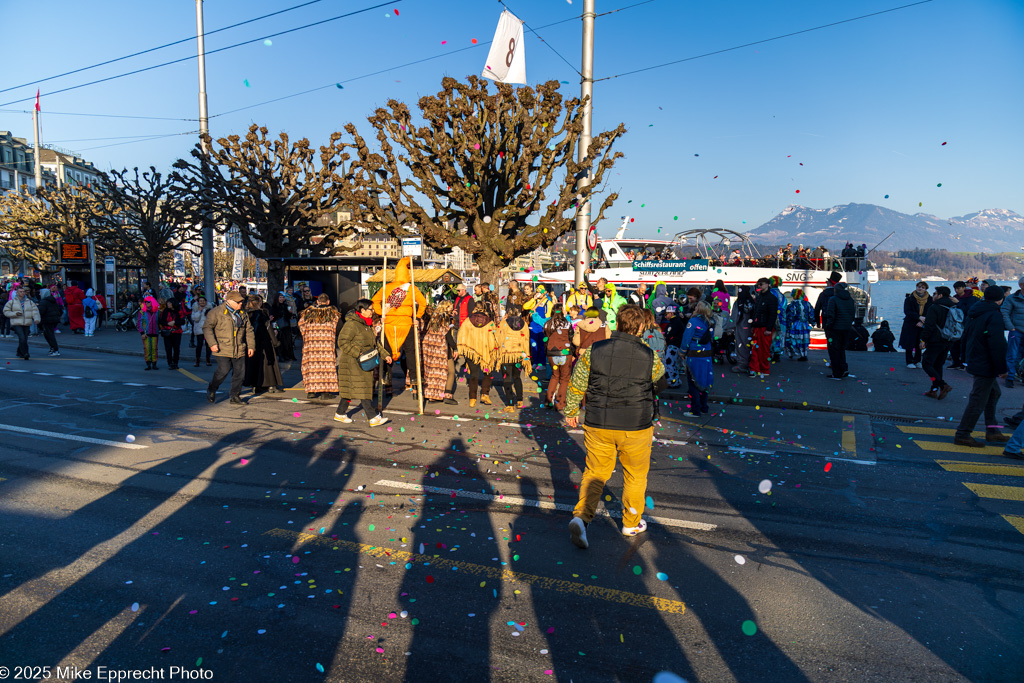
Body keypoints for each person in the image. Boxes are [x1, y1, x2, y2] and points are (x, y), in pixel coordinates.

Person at [565, 305, 667, 549]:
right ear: (641, 326)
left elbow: (577, 382)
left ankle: (582, 518)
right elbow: (661, 382)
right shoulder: (649, 355)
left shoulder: (594, 350)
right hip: (636, 424)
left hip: (599, 421)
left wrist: (571, 411)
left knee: (595, 472)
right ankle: (631, 522)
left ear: (618, 324)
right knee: (634, 475)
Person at [953, 286, 1010, 447]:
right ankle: (963, 433)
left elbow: (965, 336)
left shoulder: (975, 312)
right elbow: (997, 344)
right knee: (978, 399)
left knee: (993, 394)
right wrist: (1002, 369)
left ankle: (992, 431)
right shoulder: (994, 315)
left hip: (976, 358)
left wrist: (964, 359)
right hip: (986, 362)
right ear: (1000, 299)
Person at [334, 299, 390, 426]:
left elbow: (374, 344)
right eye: (371, 309)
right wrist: (358, 352)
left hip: (364, 361)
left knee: (352, 389)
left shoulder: (367, 325)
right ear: (362, 310)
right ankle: (372, 417)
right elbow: (342, 342)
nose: (373, 311)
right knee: (363, 389)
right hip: (352, 363)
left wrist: (385, 355)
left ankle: (340, 413)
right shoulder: (352, 324)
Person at [204, 290, 256, 404]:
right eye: (237, 302)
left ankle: (235, 396)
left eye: (241, 302)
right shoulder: (216, 312)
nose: (240, 304)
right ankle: (212, 388)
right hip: (222, 348)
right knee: (223, 370)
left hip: (239, 348)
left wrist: (251, 346)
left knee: (240, 374)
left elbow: (249, 330)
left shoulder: (242, 313)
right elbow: (207, 328)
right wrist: (212, 344)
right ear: (229, 301)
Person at [297, 294, 343, 399]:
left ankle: (311, 391)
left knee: (311, 367)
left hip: (311, 346)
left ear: (317, 302)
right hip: (326, 345)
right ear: (328, 302)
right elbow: (340, 328)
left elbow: (301, 326)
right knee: (326, 368)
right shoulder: (333, 314)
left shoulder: (307, 314)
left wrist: (308, 336)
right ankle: (325, 392)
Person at [456, 304, 499, 408]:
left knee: (474, 375)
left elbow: (461, 335)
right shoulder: (490, 322)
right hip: (486, 352)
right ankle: (485, 394)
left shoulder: (467, 321)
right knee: (487, 372)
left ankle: (472, 399)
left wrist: (462, 348)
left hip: (471, 351)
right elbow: (496, 336)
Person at [920, 286, 958, 400]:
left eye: (935, 294)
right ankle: (934, 390)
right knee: (938, 365)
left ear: (940, 295)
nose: (933, 296)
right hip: (948, 339)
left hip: (935, 339)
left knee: (927, 364)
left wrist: (923, 339)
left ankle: (942, 385)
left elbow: (929, 325)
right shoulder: (954, 306)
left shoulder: (935, 307)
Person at [679, 300, 714, 416]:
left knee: (693, 382)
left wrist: (682, 351)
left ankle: (695, 410)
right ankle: (704, 407)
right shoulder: (710, 322)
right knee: (704, 380)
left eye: (696, 307)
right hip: (707, 354)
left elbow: (686, 337)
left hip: (694, 353)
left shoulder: (693, 321)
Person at [243, 295, 283, 395]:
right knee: (268, 365)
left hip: (250, 343)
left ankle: (256, 385)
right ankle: (271, 385)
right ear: (258, 303)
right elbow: (268, 328)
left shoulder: (245, 314)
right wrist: (275, 342)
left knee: (254, 364)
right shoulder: (261, 314)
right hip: (264, 342)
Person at [496, 303, 531, 413]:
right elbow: (526, 339)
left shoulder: (504, 323)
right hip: (519, 355)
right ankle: (519, 401)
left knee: (507, 378)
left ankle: (510, 404)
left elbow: (497, 337)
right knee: (517, 377)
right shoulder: (524, 324)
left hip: (506, 355)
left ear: (507, 314)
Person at [422, 301, 455, 403]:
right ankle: (447, 395)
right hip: (440, 347)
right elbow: (447, 334)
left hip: (430, 346)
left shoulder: (434, 316)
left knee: (432, 372)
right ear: (446, 307)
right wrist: (455, 348)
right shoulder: (445, 318)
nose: (452, 309)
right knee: (450, 371)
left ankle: (432, 395)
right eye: (451, 307)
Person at [544, 304, 574, 411]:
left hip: (552, 353)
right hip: (565, 353)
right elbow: (571, 338)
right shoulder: (567, 323)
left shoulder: (547, 324)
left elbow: (545, 339)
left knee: (554, 376)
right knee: (565, 379)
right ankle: (560, 403)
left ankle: (548, 401)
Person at [824, 282, 856, 379]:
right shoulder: (850, 300)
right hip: (846, 328)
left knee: (834, 350)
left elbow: (830, 315)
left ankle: (836, 373)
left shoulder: (833, 300)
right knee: (842, 350)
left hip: (835, 329)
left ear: (836, 290)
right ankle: (844, 368)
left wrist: (828, 327)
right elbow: (852, 314)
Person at [749, 279, 777, 378]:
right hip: (758, 327)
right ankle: (755, 368)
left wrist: (769, 329)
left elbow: (773, 315)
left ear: (768, 285)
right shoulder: (760, 297)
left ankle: (763, 369)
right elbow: (755, 312)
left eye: (761, 284)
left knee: (764, 350)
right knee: (755, 348)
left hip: (765, 327)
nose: (759, 286)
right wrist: (753, 325)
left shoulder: (771, 298)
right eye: (758, 284)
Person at [900, 282, 932, 368]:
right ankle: (909, 361)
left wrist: (923, 321)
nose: (920, 289)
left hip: (923, 323)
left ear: (925, 289)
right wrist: (918, 317)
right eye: (919, 287)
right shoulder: (909, 298)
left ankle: (918, 360)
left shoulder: (930, 299)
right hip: (910, 323)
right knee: (909, 343)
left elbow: (930, 311)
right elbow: (907, 311)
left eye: (922, 287)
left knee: (920, 342)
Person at [3, 286, 40, 360]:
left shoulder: (29, 301)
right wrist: (14, 314)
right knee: (22, 337)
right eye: (20, 292)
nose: (22, 293)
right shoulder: (12, 302)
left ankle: (19, 351)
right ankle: (25, 353)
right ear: (17, 293)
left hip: (26, 322)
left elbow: (35, 311)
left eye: (23, 292)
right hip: (16, 323)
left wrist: (36, 319)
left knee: (24, 338)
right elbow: (6, 311)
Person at [1001, 276, 1024, 388]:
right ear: (1021, 285)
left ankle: (1021, 375)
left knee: (1020, 355)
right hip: (1016, 330)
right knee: (1012, 354)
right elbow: (1004, 312)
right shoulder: (1012, 298)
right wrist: (1011, 327)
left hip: (1017, 329)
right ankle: (1010, 377)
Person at [784, 289, 814, 361]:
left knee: (794, 339)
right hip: (805, 325)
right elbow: (811, 314)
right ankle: (804, 355)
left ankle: (792, 353)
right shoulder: (807, 304)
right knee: (804, 340)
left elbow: (789, 316)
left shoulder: (792, 305)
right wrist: (812, 322)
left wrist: (787, 325)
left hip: (795, 325)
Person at [270, 292, 297, 362]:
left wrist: (290, 313)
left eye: (282, 297)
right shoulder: (274, 307)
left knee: (287, 341)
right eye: (280, 297)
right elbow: (273, 317)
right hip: (279, 326)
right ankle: (281, 355)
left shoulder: (285, 306)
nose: (282, 299)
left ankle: (287, 355)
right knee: (281, 341)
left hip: (286, 326)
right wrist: (275, 328)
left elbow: (288, 316)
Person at [159, 298, 186, 369]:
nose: (168, 304)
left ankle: (175, 362)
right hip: (167, 331)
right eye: (168, 303)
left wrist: (175, 322)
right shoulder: (165, 311)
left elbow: (183, 321)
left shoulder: (179, 311)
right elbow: (160, 321)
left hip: (176, 331)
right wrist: (167, 323)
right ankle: (170, 362)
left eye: (170, 303)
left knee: (176, 348)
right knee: (168, 348)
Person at [137, 294, 161, 370]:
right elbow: (139, 323)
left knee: (154, 348)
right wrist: (142, 333)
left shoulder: (157, 312)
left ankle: (154, 363)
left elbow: (160, 322)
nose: (146, 303)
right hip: (146, 333)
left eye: (148, 302)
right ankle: (148, 363)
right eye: (145, 302)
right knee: (147, 348)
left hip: (155, 333)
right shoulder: (142, 312)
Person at [38, 289, 61, 356]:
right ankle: (53, 348)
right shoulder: (53, 300)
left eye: (40, 293)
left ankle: (55, 349)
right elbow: (58, 310)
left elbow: (41, 311)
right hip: (53, 319)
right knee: (48, 334)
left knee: (49, 334)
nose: (39, 294)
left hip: (47, 320)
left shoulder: (43, 302)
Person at [192, 296, 214, 366]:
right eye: (200, 301)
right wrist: (199, 311)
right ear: (198, 302)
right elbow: (195, 318)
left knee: (208, 345)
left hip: (207, 329)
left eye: (203, 301)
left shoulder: (209, 308)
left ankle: (208, 359)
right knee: (199, 345)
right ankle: (197, 360)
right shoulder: (195, 309)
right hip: (199, 329)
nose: (202, 302)